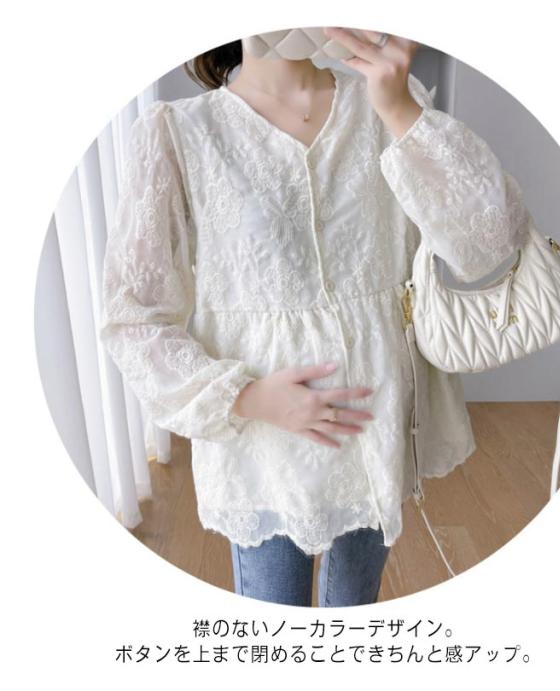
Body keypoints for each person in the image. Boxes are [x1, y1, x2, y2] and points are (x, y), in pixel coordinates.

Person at [100, 27, 529, 606]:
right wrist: (248, 398)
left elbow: (491, 241)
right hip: (263, 446)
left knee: (354, 605)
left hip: (377, 421)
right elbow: (134, 314)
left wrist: (400, 109)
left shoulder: (389, 102)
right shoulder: (181, 131)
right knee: (274, 621)